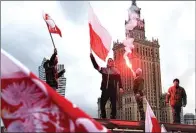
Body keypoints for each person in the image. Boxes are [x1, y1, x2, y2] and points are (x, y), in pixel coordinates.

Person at [90, 52, 123, 119]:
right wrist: (92, 58)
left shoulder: (116, 71)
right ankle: (104, 116)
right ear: (107, 62)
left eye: (111, 61)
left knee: (114, 104)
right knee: (102, 104)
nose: (110, 62)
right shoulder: (104, 70)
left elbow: (119, 80)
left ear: (113, 62)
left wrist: (120, 87)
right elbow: (96, 66)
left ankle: (113, 116)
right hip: (105, 89)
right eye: (109, 61)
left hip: (113, 89)